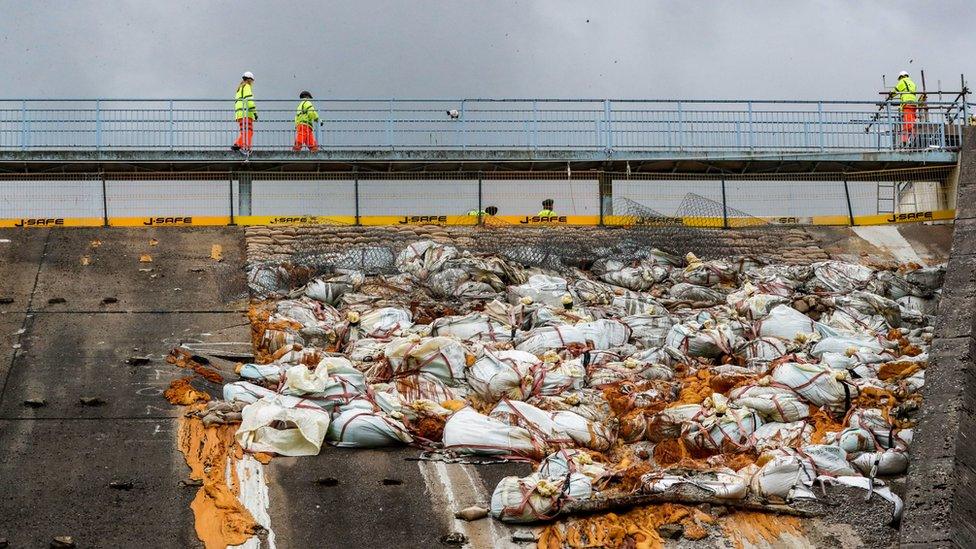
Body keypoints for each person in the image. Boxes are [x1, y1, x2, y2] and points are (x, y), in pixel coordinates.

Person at [890, 70, 918, 146]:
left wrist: (890, 96)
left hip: (907, 103)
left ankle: (905, 141)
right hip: (914, 103)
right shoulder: (912, 83)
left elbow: (895, 91)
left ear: (901, 77)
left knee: (907, 123)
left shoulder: (902, 81)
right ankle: (913, 138)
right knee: (912, 121)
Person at [232, 71, 257, 152]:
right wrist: (254, 112)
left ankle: (238, 144)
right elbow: (249, 100)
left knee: (244, 131)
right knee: (249, 131)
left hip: (239, 114)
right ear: (250, 80)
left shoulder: (239, 88)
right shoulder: (246, 86)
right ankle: (246, 147)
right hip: (246, 113)